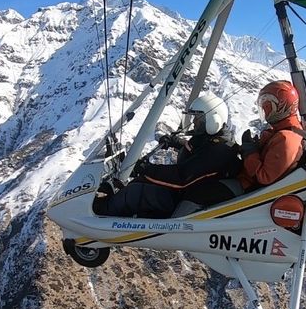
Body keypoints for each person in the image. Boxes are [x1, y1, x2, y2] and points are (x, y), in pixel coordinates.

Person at [93, 93, 241, 218]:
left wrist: (145, 167)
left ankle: (100, 215)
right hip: (188, 189)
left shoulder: (220, 148)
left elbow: (182, 177)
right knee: (140, 181)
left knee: (136, 192)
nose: (194, 123)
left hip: (188, 195)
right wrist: (175, 142)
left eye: (198, 119)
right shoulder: (211, 138)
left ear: (213, 121)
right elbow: (197, 151)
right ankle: (114, 203)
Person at [237, 80, 306, 191]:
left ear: (281, 107)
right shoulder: (281, 130)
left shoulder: (286, 139)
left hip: (249, 190)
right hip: (246, 180)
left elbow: (264, 177)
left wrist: (250, 153)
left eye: (268, 106)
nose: (264, 109)